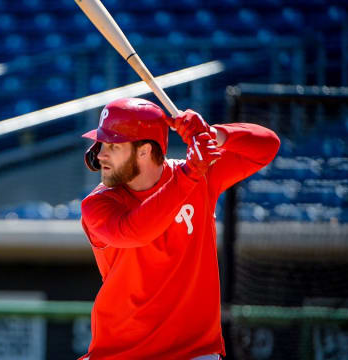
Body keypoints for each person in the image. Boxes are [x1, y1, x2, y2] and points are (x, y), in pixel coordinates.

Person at [79, 97, 280, 359]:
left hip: (194, 351)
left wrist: (214, 134)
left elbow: (267, 145)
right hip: (119, 352)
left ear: (145, 151)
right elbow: (136, 231)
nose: (100, 154)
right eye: (102, 144)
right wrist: (191, 174)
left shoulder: (198, 174)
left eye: (113, 146)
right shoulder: (98, 203)